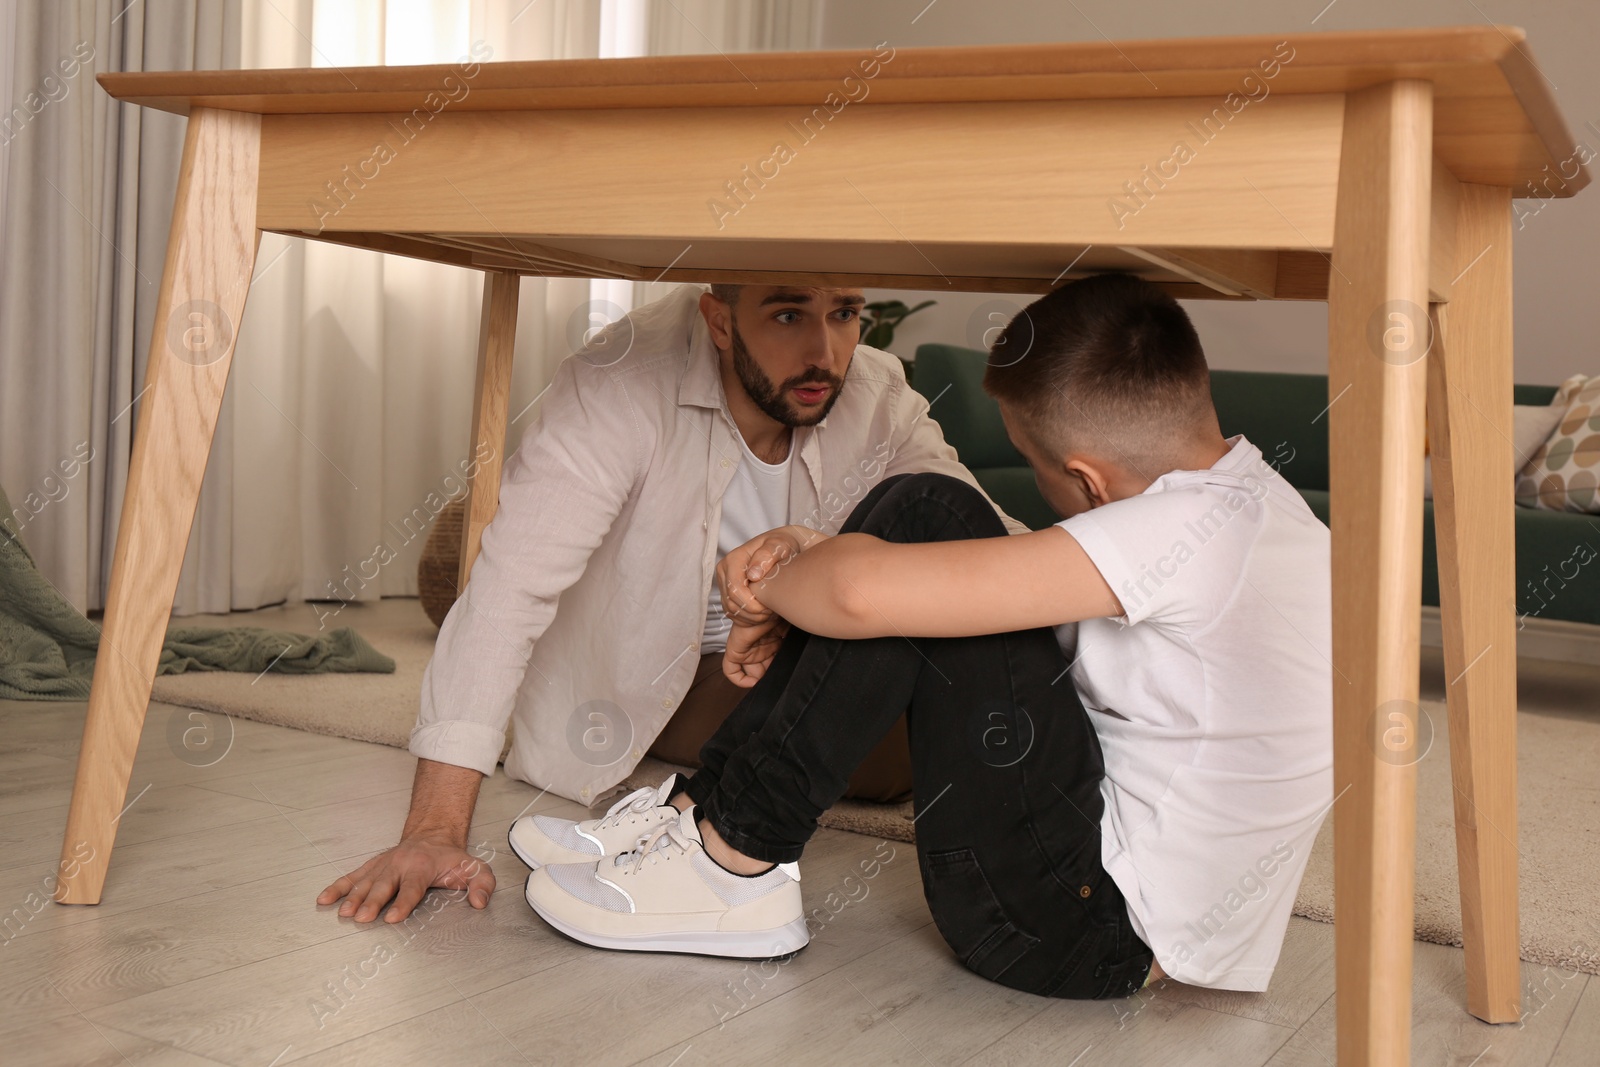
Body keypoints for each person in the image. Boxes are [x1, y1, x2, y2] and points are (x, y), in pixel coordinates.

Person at [522, 272, 1334, 997]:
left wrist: (771, 582)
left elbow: (858, 592)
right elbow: (991, 594)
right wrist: (811, 550)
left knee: (924, 513)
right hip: (1112, 905)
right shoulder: (1253, 505)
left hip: (1079, 933)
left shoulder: (1172, 529)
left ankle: (734, 859)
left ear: (1085, 477)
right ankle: (705, 813)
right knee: (918, 526)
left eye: (1039, 469)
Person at [318, 282, 1027, 924]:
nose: (825, 351)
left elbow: (981, 533)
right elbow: (511, 585)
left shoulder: (878, 392)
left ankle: (689, 811)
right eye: (788, 314)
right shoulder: (620, 378)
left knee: (928, 641)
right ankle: (721, 849)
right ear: (719, 320)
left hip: (789, 649)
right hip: (667, 670)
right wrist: (433, 831)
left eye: (844, 313)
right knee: (894, 740)